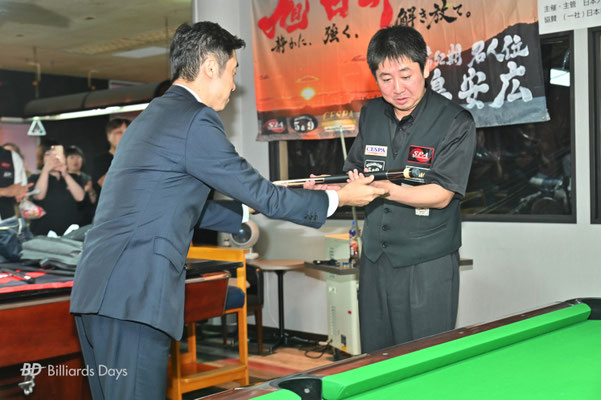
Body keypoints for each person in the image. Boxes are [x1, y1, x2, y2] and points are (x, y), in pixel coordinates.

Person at [69, 21, 386, 400]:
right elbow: (262, 194)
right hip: (134, 296)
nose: (234, 85)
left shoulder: (152, 117)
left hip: (98, 292)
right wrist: (339, 198)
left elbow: (173, 203)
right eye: (233, 72)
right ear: (209, 67)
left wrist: (243, 216)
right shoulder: (194, 119)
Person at [340, 25, 476, 352]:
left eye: (406, 75)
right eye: (386, 79)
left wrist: (381, 189)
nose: (397, 88)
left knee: (424, 355)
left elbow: (441, 194)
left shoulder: (454, 121)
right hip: (375, 259)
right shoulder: (371, 113)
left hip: (426, 262)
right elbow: (355, 171)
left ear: (426, 68)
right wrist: (328, 187)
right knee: (376, 354)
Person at [29, 141, 86, 235]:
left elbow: (80, 197)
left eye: (56, 154)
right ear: (42, 159)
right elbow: (39, 196)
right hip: (42, 234)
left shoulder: (73, 177)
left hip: (69, 234)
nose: (53, 158)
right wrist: (45, 170)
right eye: (48, 155)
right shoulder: (35, 178)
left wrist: (65, 174)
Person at [91, 118, 130, 198]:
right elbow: (105, 184)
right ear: (109, 136)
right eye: (119, 132)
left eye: (128, 132)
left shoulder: (137, 159)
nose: (124, 136)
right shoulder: (100, 160)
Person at [65, 145, 97, 225]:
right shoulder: (62, 178)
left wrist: (90, 191)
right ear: (65, 160)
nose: (75, 160)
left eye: (78, 157)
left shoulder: (88, 178)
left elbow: (93, 201)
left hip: (86, 220)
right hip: (68, 219)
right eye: (72, 157)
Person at [0, 143, 29, 220]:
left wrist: (19, 193)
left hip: (7, 220)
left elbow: (18, 189)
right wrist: (5, 191)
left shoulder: (12, 156)